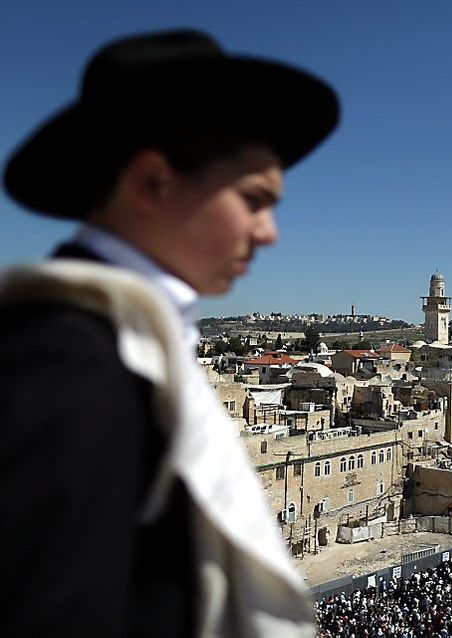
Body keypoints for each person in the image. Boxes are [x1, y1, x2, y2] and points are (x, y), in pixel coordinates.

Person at [0, 30, 339, 636]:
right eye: (254, 200)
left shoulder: (116, 348)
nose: (269, 233)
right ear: (153, 182)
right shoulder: (70, 367)